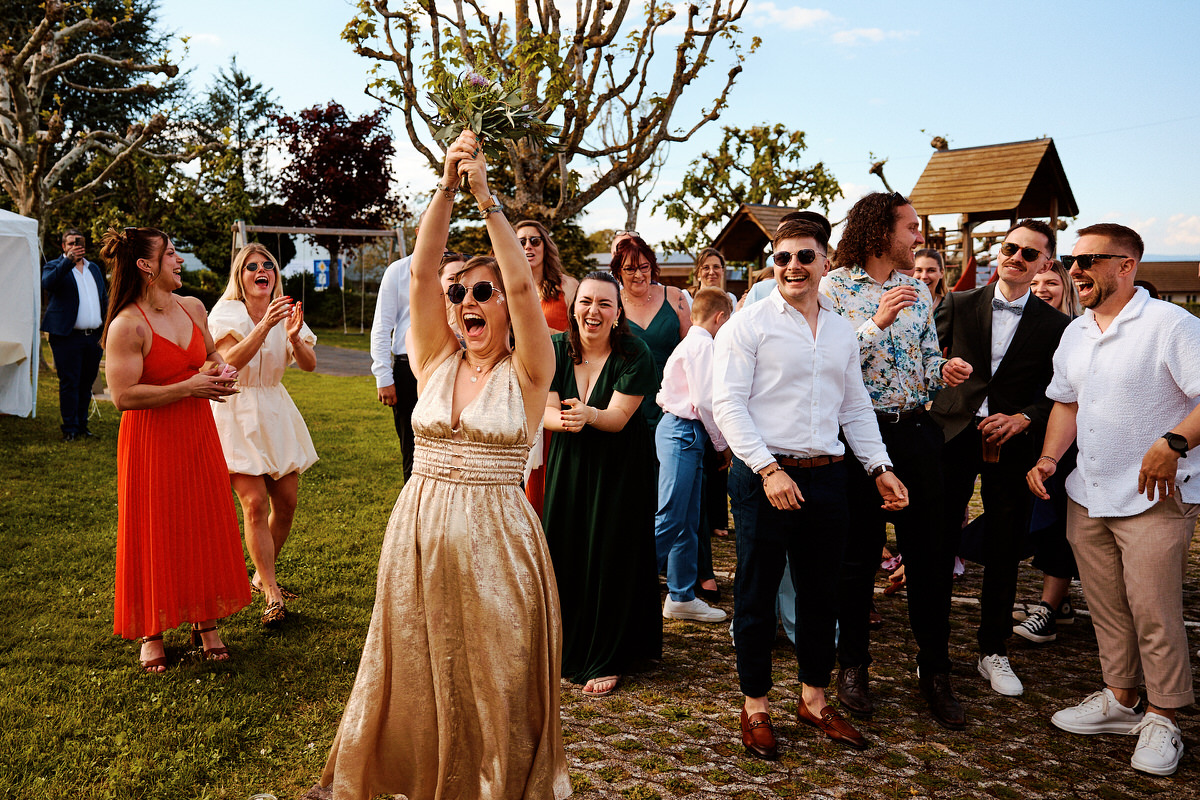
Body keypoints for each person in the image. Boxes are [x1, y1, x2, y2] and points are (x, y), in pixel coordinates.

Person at [313, 130, 569, 799]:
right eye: (462, 298)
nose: (469, 304)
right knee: (416, 667)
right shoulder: (432, 359)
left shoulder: (530, 369)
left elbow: (521, 279)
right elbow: (423, 273)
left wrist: (485, 198)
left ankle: (493, 786)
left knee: (496, 673)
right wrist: (447, 186)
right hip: (419, 531)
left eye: (483, 295)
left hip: (500, 541)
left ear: (507, 309)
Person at [714, 216, 909, 758]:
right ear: (771, 264)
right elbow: (727, 404)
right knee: (755, 595)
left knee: (824, 596)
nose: (793, 266)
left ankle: (814, 699)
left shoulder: (844, 329)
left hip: (828, 478)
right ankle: (755, 707)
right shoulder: (748, 325)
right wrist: (766, 469)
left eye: (805, 256)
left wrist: (879, 466)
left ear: (826, 263)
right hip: (762, 479)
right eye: (783, 258)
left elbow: (854, 406)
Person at [1028, 223, 1200, 777]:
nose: (1074, 270)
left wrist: (1174, 443)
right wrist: (1050, 460)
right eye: (1072, 261)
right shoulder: (1076, 333)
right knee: (1107, 607)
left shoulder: (1171, 324)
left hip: (1154, 495)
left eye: (1088, 261)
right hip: (1087, 492)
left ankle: (1165, 716)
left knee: (1154, 610)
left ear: (1125, 265)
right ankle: (1122, 700)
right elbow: (1065, 405)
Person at [821, 192, 973, 730]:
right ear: (880, 231)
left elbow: (926, 358)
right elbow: (826, 365)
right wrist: (877, 323)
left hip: (916, 432)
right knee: (857, 558)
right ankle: (853, 667)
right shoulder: (832, 288)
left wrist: (943, 369)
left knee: (930, 558)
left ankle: (935, 671)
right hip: (859, 437)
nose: (918, 238)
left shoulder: (921, 291)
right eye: (910, 228)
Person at [101, 226, 250, 672]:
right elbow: (123, 396)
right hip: (151, 439)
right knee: (155, 524)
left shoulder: (193, 307)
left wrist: (220, 373)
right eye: (171, 253)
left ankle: (206, 621)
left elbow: (209, 357)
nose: (179, 259)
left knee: (200, 518)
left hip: (197, 431)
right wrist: (189, 386)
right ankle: (152, 629)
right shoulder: (126, 325)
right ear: (146, 266)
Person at [933, 219, 1070, 698]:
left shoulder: (1057, 325)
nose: (1015, 257)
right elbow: (925, 359)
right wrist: (941, 367)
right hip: (953, 434)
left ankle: (993, 649)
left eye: (1028, 254)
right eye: (1010, 248)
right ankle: (934, 653)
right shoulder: (960, 301)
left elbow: (1060, 392)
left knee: (1005, 545)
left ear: (1044, 264)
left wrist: (1025, 418)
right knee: (939, 539)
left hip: (1012, 442)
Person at [542, 270, 661, 699]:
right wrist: (568, 420)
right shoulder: (555, 348)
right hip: (569, 464)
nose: (594, 311)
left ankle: (606, 654)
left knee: (611, 553)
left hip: (619, 467)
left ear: (617, 312)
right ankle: (564, 644)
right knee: (566, 548)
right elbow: (545, 412)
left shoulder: (635, 352)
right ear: (574, 308)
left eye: (604, 304)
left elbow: (616, 418)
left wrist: (586, 416)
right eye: (586, 301)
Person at [208, 244, 318, 627]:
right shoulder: (226, 313)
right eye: (251, 266)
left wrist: (294, 336)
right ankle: (271, 591)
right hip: (235, 408)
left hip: (274, 408)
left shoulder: (285, 310)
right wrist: (265, 326)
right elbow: (228, 364)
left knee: (286, 501)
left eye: (267, 265)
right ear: (240, 276)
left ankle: (260, 572)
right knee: (253, 502)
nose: (262, 270)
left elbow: (308, 365)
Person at [1011, 256, 1083, 643]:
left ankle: (1048, 609)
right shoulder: (1020, 327)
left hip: (1065, 441)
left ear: (1066, 289)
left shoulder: (1077, 331)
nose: (1042, 290)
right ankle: (1061, 601)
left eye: (1051, 284)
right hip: (1028, 440)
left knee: (1057, 521)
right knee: (1037, 519)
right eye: (1036, 284)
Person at [655, 287, 732, 624]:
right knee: (671, 514)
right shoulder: (703, 345)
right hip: (682, 430)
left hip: (686, 432)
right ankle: (622, 586)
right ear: (721, 317)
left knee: (687, 520)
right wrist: (721, 444)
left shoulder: (695, 342)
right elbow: (704, 400)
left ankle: (681, 596)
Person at [515, 220, 579, 514]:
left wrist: (545, 336)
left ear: (545, 245)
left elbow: (580, 334)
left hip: (559, 380)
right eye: (521, 241)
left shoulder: (568, 285)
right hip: (521, 381)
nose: (528, 246)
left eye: (534, 241)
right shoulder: (506, 284)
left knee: (555, 455)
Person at [611, 236, 690, 435]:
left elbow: (693, 352)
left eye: (644, 267)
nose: (638, 275)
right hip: (626, 402)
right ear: (618, 272)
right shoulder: (611, 303)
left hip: (673, 402)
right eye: (630, 269)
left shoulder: (674, 297)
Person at [41, 228, 108, 441]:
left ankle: (82, 425)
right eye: (70, 243)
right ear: (63, 246)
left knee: (87, 382)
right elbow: (47, 284)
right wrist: (67, 261)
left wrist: (106, 327)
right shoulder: (55, 266)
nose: (74, 247)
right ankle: (69, 428)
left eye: (78, 243)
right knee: (69, 381)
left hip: (93, 336)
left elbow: (103, 298)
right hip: (66, 336)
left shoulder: (94, 268)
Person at [370, 236, 418, 481]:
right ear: (420, 231)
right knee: (412, 450)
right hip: (407, 368)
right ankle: (413, 517)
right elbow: (382, 326)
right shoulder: (398, 271)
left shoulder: (457, 269)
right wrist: (383, 376)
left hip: (449, 365)